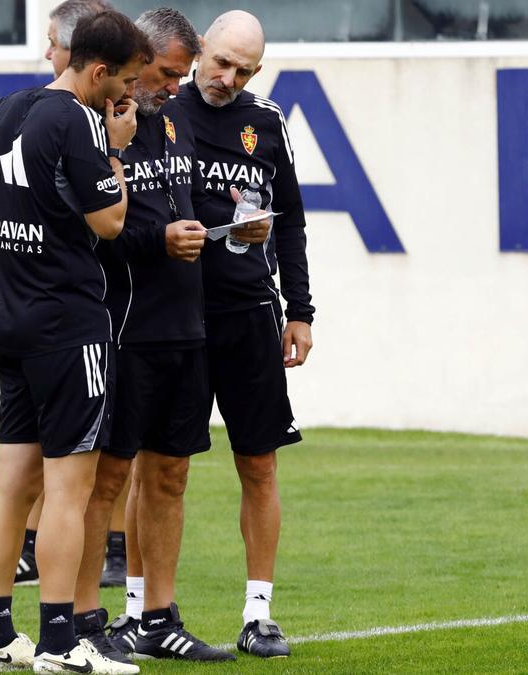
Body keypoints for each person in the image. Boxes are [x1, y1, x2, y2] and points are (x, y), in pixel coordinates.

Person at [0, 9, 151, 673]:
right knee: (68, 489)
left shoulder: (2, 113)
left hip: (12, 321)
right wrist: (117, 148)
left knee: (12, 486)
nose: (127, 94)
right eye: (124, 81)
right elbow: (111, 221)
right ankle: (61, 642)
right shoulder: (79, 122)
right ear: (97, 70)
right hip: (70, 327)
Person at [92, 8, 244, 663]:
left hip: (186, 325)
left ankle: (158, 617)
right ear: (136, 58)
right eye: (164, 73)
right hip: (126, 328)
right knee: (107, 480)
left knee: (172, 476)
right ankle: (86, 622)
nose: (174, 86)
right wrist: (158, 239)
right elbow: (93, 232)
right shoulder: (98, 125)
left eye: (182, 75)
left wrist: (233, 224)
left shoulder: (176, 118)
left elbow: (182, 209)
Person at [174, 9, 315, 658]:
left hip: (249, 313)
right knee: (161, 467)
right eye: (222, 62)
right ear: (200, 49)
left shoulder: (266, 121)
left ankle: (259, 614)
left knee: (258, 463)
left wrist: (300, 310)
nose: (228, 78)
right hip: (172, 316)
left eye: (245, 71)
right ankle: (144, 611)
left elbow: (291, 222)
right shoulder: (159, 112)